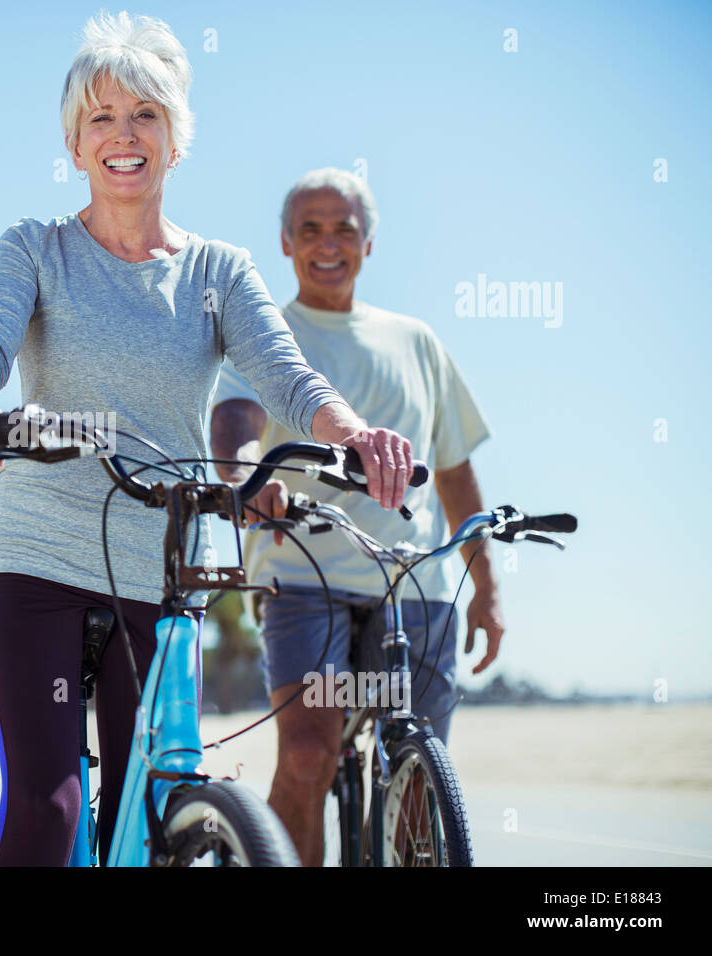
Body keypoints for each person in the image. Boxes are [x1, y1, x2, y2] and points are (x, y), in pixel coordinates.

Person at [0, 14, 415, 867]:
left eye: (144, 115)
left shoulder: (219, 272)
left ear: (175, 141)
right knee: (51, 809)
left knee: (150, 808)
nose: (123, 135)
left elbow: (289, 376)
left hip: (159, 569)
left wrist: (355, 433)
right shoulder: (34, 251)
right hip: (34, 558)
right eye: (101, 118)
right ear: (75, 144)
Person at [210, 168, 499, 866]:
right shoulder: (268, 333)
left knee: (416, 768)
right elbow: (235, 423)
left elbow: (454, 468)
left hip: (418, 583)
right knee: (309, 754)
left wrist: (486, 585)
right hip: (304, 573)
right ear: (286, 241)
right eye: (310, 228)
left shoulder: (418, 341)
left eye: (344, 228)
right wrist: (248, 477)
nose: (328, 243)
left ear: (368, 242)